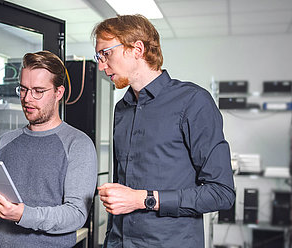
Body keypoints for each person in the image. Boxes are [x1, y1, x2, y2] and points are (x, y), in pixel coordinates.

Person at [92, 15, 235, 247]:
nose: (100, 65)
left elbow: (221, 193)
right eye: (98, 56)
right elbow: (121, 190)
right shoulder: (122, 108)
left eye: (106, 53)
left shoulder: (193, 101)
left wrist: (144, 199)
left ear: (136, 49)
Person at [0, 51, 97, 248]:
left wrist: (22, 215)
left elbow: (76, 215)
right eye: (23, 89)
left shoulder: (78, 144)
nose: (28, 98)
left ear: (59, 92)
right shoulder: (6, 141)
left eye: (38, 91)